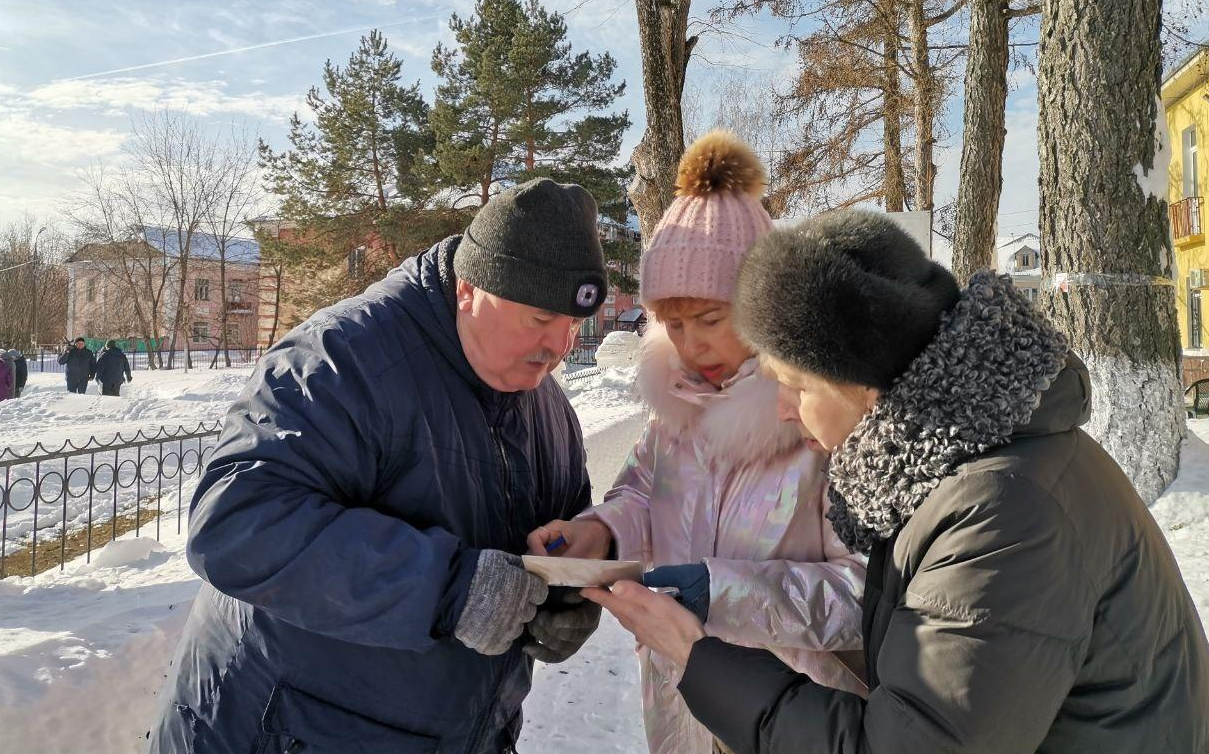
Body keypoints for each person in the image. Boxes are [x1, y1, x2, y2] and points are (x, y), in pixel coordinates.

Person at [586, 210, 1209, 754]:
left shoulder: (1002, 512)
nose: (780, 409)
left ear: (861, 382)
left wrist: (701, 658)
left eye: (797, 386)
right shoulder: (957, 471)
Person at [149, 178, 610, 754]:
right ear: (469, 289)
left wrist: (565, 600)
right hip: (280, 728)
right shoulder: (342, 358)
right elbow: (236, 524)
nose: (560, 343)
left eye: (573, 323)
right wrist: (450, 590)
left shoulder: (548, 409)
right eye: (540, 317)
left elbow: (561, 539)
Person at [529, 131, 866, 754]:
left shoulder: (823, 424)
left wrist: (726, 593)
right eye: (673, 323)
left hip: (798, 721)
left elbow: (872, 595)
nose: (691, 345)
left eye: (711, 320)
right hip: (682, 711)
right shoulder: (673, 410)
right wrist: (600, 533)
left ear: (765, 307)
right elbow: (639, 492)